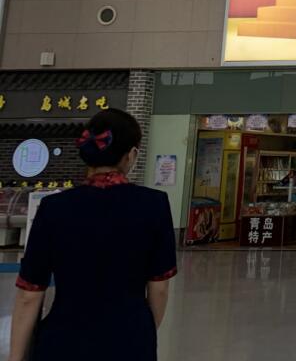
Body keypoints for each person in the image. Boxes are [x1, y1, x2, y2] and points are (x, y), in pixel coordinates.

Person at [7, 108, 177, 361]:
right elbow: (159, 288)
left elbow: (29, 294)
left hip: (63, 342)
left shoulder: (54, 208)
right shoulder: (154, 205)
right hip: (130, 341)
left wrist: (15, 357)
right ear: (131, 155)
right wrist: (141, 332)